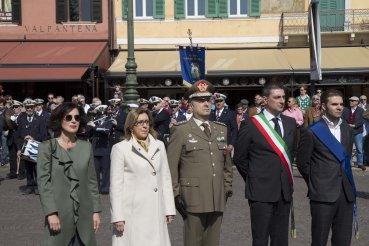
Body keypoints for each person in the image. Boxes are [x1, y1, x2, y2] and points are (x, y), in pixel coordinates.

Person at [167, 80, 233, 246]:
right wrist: (175, 195)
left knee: (213, 242)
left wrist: (227, 187)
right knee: (193, 242)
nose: (206, 103)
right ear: (190, 104)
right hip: (192, 198)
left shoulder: (221, 129)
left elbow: (226, 163)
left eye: (208, 99)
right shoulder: (181, 130)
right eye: (200, 100)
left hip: (217, 197)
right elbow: (171, 166)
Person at [234, 82, 297, 246]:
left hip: (284, 191)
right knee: (260, 239)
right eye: (277, 97)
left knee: (281, 240)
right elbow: (240, 158)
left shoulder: (290, 123)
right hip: (260, 192)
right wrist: (255, 177)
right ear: (265, 100)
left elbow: (292, 153)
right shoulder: (251, 124)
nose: (282, 101)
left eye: (283, 97)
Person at [297, 89, 357, 246]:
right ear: (324, 106)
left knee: (343, 241)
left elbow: (346, 158)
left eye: (341, 104)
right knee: (319, 240)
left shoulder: (348, 130)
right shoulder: (311, 132)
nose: (339, 107)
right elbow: (303, 164)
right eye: (334, 104)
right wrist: (317, 182)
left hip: (346, 193)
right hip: (322, 195)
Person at [37, 102, 101, 245]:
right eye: (68, 117)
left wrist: (96, 211)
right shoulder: (47, 148)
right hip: (59, 215)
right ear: (60, 120)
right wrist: (51, 213)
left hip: (84, 215)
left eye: (77, 118)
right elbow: (43, 183)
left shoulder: (86, 147)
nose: (73, 121)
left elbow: (92, 182)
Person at [110, 108, 175, 246]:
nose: (145, 126)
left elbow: (165, 178)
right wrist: (117, 216)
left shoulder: (159, 145)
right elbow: (116, 186)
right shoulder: (120, 148)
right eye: (139, 122)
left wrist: (169, 208)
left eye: (147, 122)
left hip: (156, 209)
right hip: (132, 212)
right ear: (130, 126)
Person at [15, 99, 48, 195]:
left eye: (31, 107)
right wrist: (19, 148)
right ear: (25, 108)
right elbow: (18, 135)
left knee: (37, 168)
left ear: (34, 108)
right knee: (28, 167)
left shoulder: (40, 119)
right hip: (25, 148)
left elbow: (44, 135)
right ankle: (30, 186)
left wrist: (33, 138)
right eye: (27, 107)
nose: (29, 109)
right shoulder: (21, 119)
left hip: (36, 147)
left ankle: (38, 186)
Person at [342, 96, 366, 171]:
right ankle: (349, 163)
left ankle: (360, 163)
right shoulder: (346, 109)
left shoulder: (361, 110)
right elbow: (342, 118)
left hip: (358, 131)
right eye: (350, 100)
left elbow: (362, 120)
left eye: (352, 101)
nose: (350, 102)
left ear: (357, 102)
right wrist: (347, 125)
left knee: (359, 148)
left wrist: (355, 125)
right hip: (348, 131)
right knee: (348, 148)